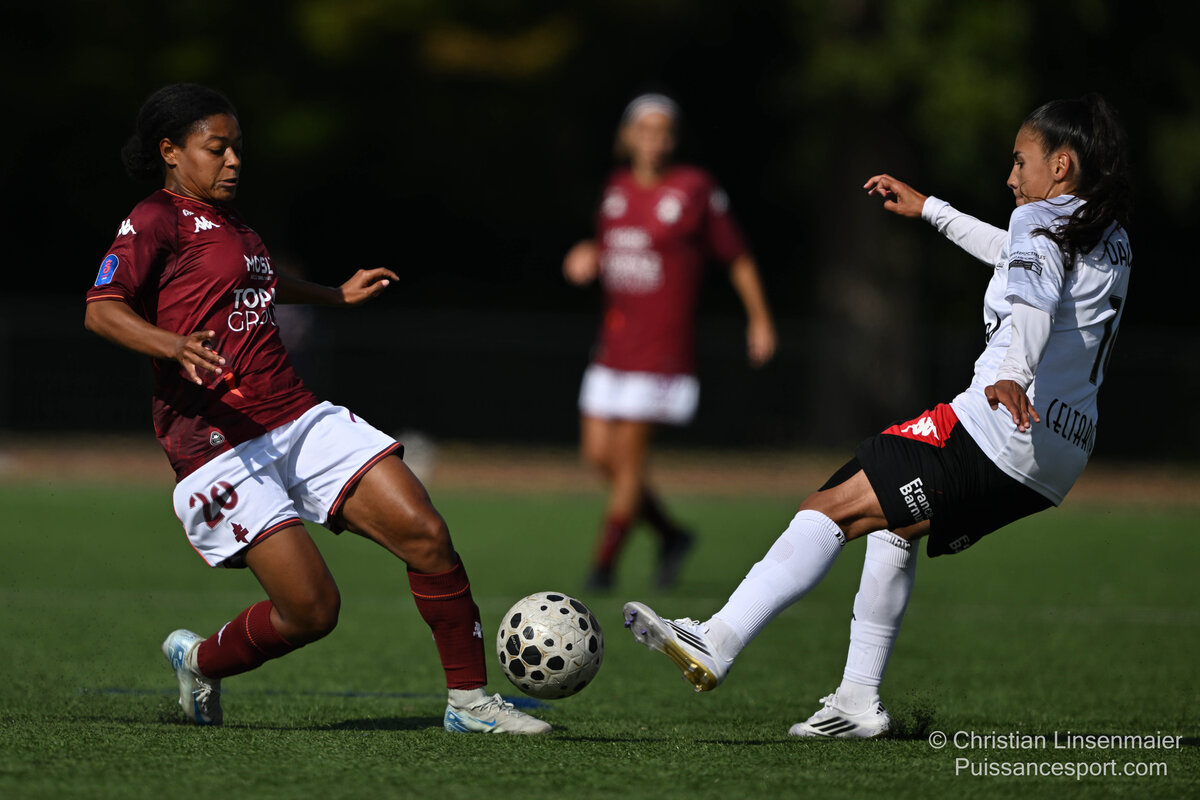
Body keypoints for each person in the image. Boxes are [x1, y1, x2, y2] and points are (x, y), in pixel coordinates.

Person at [622, 93, 1133, 737]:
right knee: (894, 528)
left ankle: (717, 639)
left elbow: (1032, 295)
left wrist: (1014, 371)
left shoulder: (1039, 220)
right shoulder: (1105, 234)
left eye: (1020, 160)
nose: (1011, 176)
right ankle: (856, 701)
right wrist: (933, 210)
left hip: (999, 425)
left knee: (830, 504)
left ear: (1061, 165)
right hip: (1060, 455)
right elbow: (1021, 258)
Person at [85, 83, 550, 734]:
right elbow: (101, 308)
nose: (234, 160)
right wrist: (172, 344)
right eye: (217, 148)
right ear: (170, 151)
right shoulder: (156, 217)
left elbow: (261, 282)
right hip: (217, 441)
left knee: (426, 533)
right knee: (312, 611)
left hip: (296, 416)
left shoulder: (233, 224)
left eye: (238, 147)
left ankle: (470, 703)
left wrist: (335, 295)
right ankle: (200, 660)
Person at [563, 93, 777, 592]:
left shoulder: (694, 188)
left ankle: (602, 566)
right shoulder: (616, 189)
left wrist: (759, 319)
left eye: (663, 131)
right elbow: (614, 246)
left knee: (628, 459)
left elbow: (737, 256)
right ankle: (671, 534)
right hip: (614, 344)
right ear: (627, 136)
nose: (654, 140)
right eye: (645, 130)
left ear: (674, 139)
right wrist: (588, 253)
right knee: (598, 456)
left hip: (662, 349)